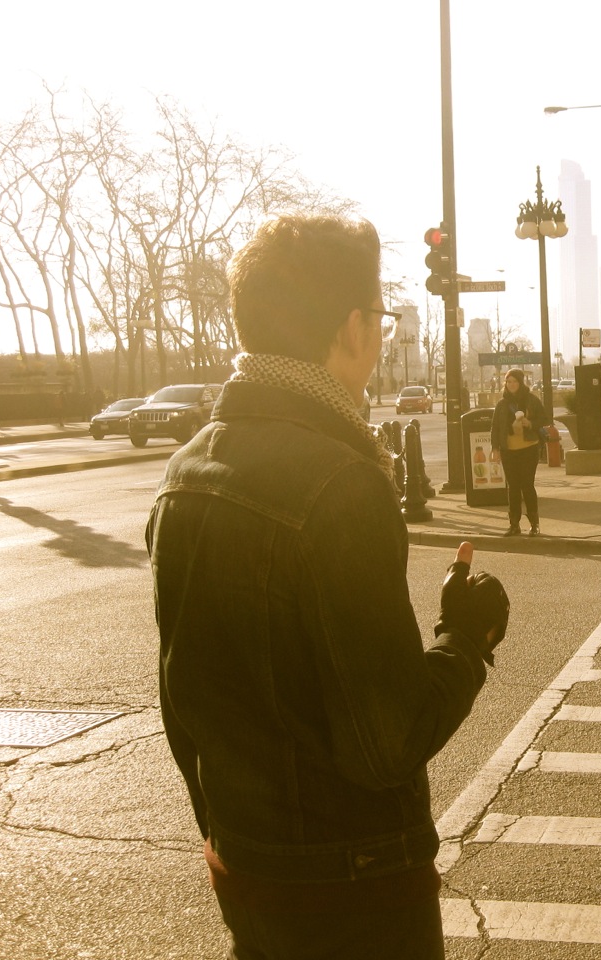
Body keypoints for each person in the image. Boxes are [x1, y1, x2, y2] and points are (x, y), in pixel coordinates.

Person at [147, 215, 510, 960]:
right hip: (355, 880)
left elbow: (180, 695)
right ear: (352, 327)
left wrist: (223, 830)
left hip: (246, 862)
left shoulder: (184, 475)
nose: (380, 334)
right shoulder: (342, 482)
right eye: (380, 316)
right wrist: (464, 642)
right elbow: (387, 743)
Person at [491, 368, 548, 536]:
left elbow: (544, 418)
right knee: (513, 487)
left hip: (529, 448)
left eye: (514, 381)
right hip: (508, 450)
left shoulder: (531, 400)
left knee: (527, 485)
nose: (511, 385)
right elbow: (495, 428)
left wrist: (530, 423)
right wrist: (495, 448)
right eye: (508, 382)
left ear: (521, 382)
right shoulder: (502, 404)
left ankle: (534, 524)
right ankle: (514, 524)